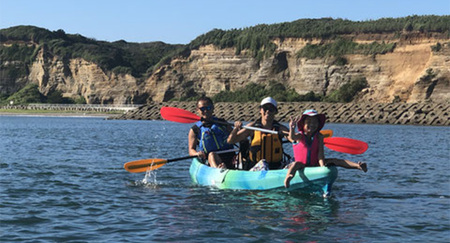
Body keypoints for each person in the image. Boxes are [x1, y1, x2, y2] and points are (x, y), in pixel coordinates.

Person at [284, 109, 368, 188]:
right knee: (295, 164)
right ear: (303, 124)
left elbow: (320, 153)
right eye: (309, 122)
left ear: (318, 125)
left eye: (314, 122)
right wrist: (291, 128)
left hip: (315, 163)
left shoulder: (319, 137)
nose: (312, 125)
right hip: (301, 165)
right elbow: (292, 136)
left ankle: (358, 166)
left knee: (335, 160)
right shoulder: (299, 136)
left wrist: (322, 167)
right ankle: (289, 177)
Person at [228, 97, 289, 170]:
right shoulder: (252, 128)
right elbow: (231, 140)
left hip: (276, 167)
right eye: (265, 108)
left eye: (271, 109)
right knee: (263, 165)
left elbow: (294, 140)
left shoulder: (281, 129)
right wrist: (235, 128)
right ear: (260, 110)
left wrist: (292, 129)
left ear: (275, 112)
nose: (268, 111)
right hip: (256, 167)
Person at [188, 96, 235, 169]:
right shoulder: (195, 129)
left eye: (208, 108)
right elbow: (191, 150)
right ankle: (218, 170)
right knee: (212, 155)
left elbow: (236, 137)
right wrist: (197, 153)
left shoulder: (223, 123)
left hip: (229, 155)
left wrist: (237, 129)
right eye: (202, 109)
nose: (206, 111)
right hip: (209, 159)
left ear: (213, 108)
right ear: (197, 110)